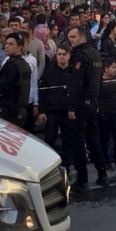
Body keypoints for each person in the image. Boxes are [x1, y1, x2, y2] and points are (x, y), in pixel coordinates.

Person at [68, 25, 110, 188]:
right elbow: (99, 80)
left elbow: (76, 83)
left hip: (81, 103)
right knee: (94, 140)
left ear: (82, 37)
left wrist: (72, 107)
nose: (70, 40)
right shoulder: (95, 53)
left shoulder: (80, 55)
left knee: (79, 141)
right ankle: (102, 174)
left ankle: (82, 179)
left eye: (73, 37)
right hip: (93, 101)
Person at [38, 42, 81, 172]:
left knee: (68, 141)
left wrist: (73, 109)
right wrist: (41, 111)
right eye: (59, 54)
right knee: (49, 140)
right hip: (51, 111)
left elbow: (77, 92)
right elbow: (43, 92)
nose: (61, 57)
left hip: (68, 112)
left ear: (69, 56)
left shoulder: (74, 72)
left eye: (64, 54)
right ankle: (48, 167)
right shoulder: (49, 72)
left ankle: (67, 165)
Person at [0, 32, 30, 126]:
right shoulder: (24, 64)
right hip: (21, 110)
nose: (7, 46)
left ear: (19, 47)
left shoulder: (11, 65)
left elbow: (2, 90)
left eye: (11, 44)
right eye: (6, 43)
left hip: (10, 112)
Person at [99, 58, 116, 170]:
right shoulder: (100, 82)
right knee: (104, 137)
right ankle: (105, 161)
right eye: (113, 67)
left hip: (115, 112)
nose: (115, 70)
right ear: (106, 68)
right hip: (104, 113)